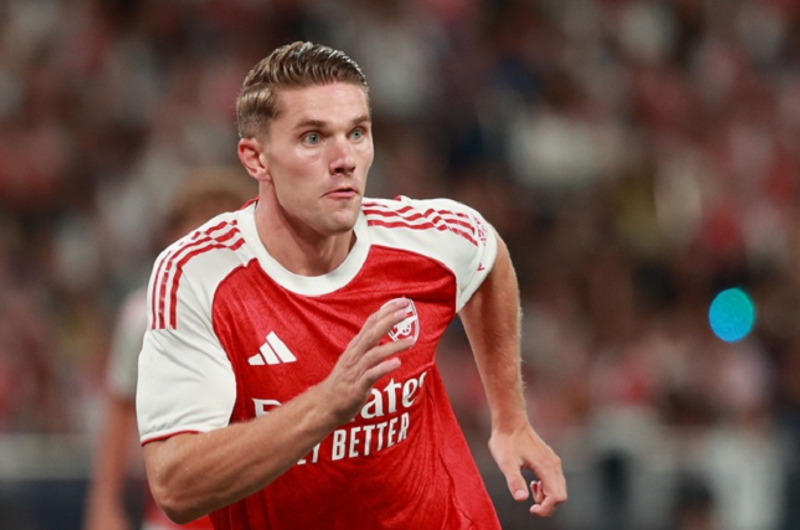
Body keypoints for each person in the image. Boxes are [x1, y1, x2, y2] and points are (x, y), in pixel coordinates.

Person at [136, 41, 567, 529]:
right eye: (313, 137)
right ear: (256, 159)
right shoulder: (198, 275)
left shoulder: (425, 240)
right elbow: (176, 486)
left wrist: (510, 420)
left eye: (357, 132)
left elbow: (489, 259)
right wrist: (327, 403)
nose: (345, 159)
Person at [83, 170, 255, 530]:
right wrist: (103, 502)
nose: (209, 237)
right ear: (172, 237)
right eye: (198, 224)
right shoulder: (143, 316)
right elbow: (119, 409)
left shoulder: (272, 310)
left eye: (220, 222)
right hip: (173, 516)